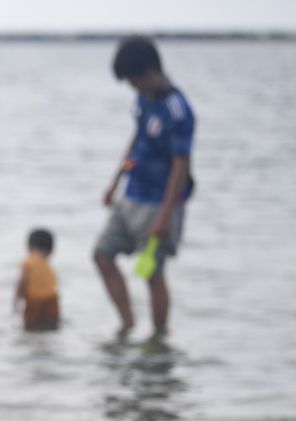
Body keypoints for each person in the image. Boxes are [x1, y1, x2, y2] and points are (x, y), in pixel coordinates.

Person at [94, 35, 194, 336]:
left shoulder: (178, 109)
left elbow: (181, 163)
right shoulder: (142, 100)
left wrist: (166, 215)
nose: (132, 87)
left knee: (153, 273)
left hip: (160, 202)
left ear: (149, 71)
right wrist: (114, 181)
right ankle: (127, 324)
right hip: (131, 194)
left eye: (133, 80)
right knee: (101, 254)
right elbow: (136, 140)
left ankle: (159, 337)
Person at [14, 228, 60, 331]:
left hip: (34, 302)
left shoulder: (28, 262)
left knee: (30, 327)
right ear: (51, 249)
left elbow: (22, 281)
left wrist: (17, 299)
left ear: (29, 246)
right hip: (52, 301)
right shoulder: (49, 266)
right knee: (51, 326)